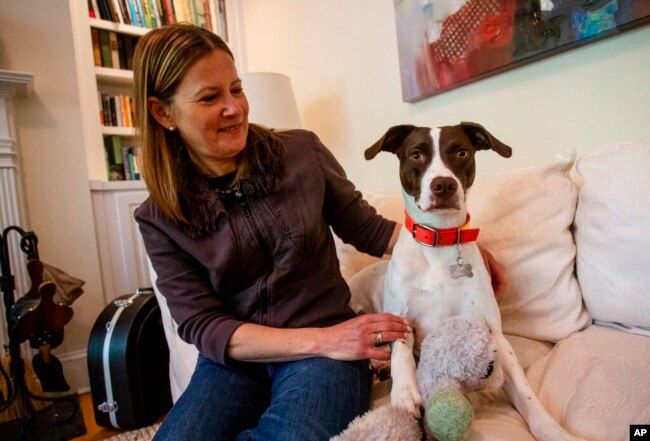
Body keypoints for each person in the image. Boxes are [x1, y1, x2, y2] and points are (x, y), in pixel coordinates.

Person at [132, 23, 506, 441]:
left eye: (236, 89)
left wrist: (454, 245)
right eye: (210, 97)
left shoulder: (301, 153)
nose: (234, 107)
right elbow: (205, 325)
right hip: (237, 363)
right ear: (163, 113)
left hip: (329, 359)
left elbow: (367, 228)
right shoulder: (158, 217)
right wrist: (323, 340)